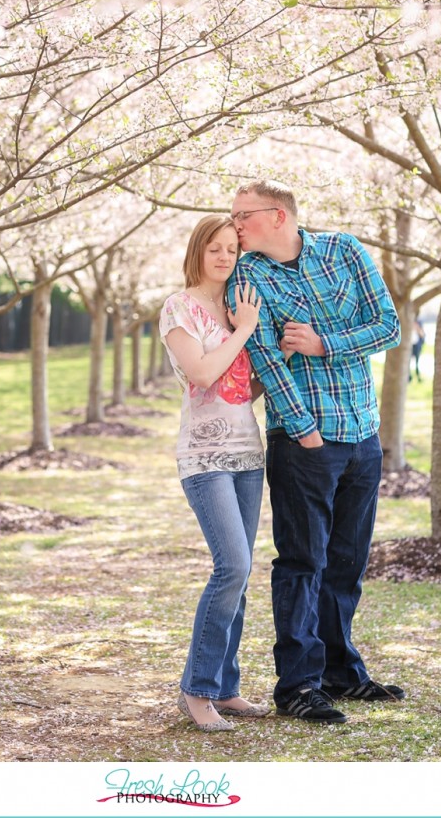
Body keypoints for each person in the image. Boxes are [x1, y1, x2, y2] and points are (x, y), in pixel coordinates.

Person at [227, 180, 404, 725]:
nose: (234, 225)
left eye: (242, 216)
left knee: (347, 562)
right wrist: (305, 431)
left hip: (362, 433)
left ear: (277, 215)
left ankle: (341, 673)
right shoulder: (247, 276)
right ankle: (299, 685)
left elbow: (389, 327)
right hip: (305, 440)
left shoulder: (344, 251)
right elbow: (267, 357)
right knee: (303, 561)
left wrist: (324, 341)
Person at [159, 215, 270, 732]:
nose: (225, 257)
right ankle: (196, 689)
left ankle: (225, 688)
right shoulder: (179, 309)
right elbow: (202, 374)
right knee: (231, 566)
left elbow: (237, 390)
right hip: (204, 458)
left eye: (232, 249)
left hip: (248, 454)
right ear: (197, 252)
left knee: (242, 573)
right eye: (214, 248)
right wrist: (245, 329)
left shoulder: (234, 309)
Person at [410, 316, 425, 382]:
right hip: (410, 345)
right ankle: (409, 377)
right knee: (408, 361)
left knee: (417, 362)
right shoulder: (408, 322)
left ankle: (418, 375)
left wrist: (417, 328)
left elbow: (422, 335)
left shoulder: (419, 322)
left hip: (417, 345)